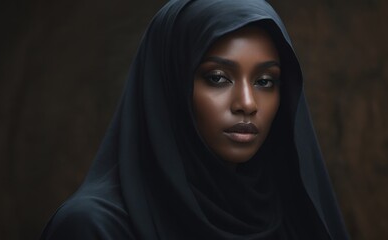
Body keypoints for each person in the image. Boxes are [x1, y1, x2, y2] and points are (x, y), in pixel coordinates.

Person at [40, 0, 349, 239]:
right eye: (217, 78)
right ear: (170, 86)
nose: (247, 103)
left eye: (265, 81)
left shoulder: (289, 215)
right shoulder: (94, 227)